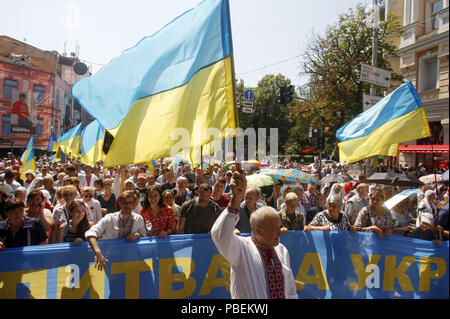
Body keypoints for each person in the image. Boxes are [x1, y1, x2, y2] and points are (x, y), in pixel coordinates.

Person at [211, 170, 298, 299]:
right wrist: (235, 200)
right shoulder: (242, 249)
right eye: (275, 229)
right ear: (258, 231)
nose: (280, 233)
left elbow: (290, 290)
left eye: (279, 227)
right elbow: (220, 235)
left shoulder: (281, 250)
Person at [85, 191, 147, 271]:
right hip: (111, 259)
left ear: (134, 204)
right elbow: (91, 232)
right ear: (120, 203)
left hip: (131, 260)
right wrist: (97, 251)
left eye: (130, 202)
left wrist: (137, 235)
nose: (127, 205)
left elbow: (144, 235)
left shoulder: (138, 219)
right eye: (124, 202)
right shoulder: (110, 218)